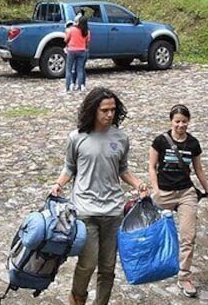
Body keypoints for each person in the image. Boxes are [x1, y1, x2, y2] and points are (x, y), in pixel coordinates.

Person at [50, 87, 149, 305]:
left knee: (108, 267)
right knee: (88, 263)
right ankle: (77, 298)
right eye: (104, 110)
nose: (109, 114)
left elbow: (123, 169)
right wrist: (58, 184)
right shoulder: (77, 138)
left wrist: (138, 183)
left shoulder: (121, 138)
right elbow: (69, 167)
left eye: (113, 110)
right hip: (85, 210)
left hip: (114, 211)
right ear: (93, 110)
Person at [148, 104, 208, 298]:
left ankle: (184, 276)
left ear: (189, 122)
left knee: (188, 236)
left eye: (184, 121)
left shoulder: (193, 144)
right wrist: (156, 190)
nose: (180, 125)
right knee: (150, 229)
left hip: (186, 193)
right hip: (164, 193)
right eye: (177, 121)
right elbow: (152, 166)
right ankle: (151, 263)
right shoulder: (160, 141)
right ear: (171, 121)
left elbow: (198, 169)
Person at [65, 15, 91, 94]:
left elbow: (66, 39)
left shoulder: (71, 30)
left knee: (69, 69)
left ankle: (68, 86)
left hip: (71, 50)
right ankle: (80, 86)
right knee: (80, 69)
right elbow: (87, 42)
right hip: (82, 51)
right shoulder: (86, 31)